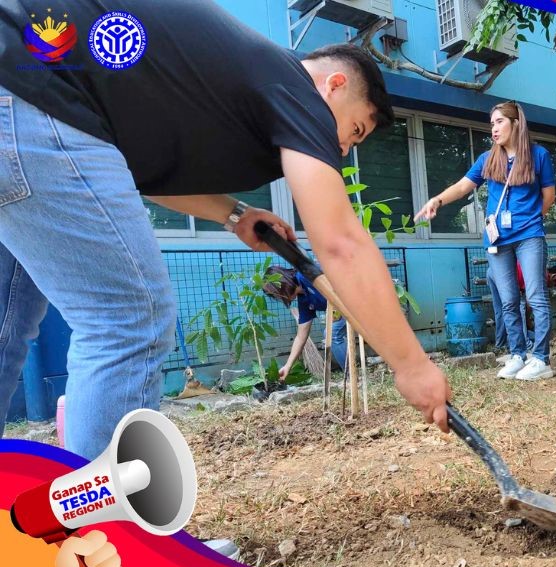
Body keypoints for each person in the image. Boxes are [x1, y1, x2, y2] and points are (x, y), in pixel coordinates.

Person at [0, 0, 451, 463]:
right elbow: (341, 244)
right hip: (33, 97)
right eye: (353, 131)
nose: (340, 147)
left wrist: (233, 214)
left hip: (22, 89)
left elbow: (135, 177)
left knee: (7, 324)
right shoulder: (297, 88)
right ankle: (105, 528)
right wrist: (412, 366)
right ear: (334, 86)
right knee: (128, 319)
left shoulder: (238, 82)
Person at [417, 102, 556, 381]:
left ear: (516, 123)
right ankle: (518, 355)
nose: (493, 129)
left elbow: (549, 196)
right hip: (497, 240)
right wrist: (437, 200)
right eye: (491, 123)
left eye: (499, 122)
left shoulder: (538, 155)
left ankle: (541, 359)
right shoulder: (487, 159)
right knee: (507, 300)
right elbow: (462, 186)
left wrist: (529, 220)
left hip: (529, 236)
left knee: (535, 297)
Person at [262, 266, 348, 376]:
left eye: (276, 293)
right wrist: (288, 366)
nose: (279, 298)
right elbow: (301, 336)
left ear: (282, 283)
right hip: (342, 309)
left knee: (332, 333)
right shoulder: (304, 300)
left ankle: (351, 374)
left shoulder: (305, 275)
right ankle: (351, 374)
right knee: (332, 333)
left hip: (353, 298)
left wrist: (335, 306)